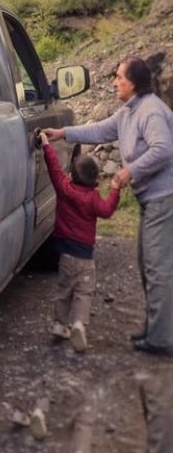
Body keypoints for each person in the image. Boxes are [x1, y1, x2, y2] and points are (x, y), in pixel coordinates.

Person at [42, 56, 173, 357]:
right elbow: (100, 130)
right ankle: (157, 329)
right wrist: (63, 133)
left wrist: (130, 171)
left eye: (119, 77)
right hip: (150, 200)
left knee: (157, 267)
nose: (114, 82)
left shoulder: (150, 111)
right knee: (146, 263)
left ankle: (163, 337)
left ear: (134, 82)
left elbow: (163, 149)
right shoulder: (129, 111)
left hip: (163, 199)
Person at [39, 132, 121, 352]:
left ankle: (59, 324)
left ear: (73, 175)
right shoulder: (93, 198)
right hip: (85, 257)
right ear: (94, 179)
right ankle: (77, 324)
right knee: (84, 292)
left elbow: (55, 169)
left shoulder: (65, 189)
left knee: (64, 289)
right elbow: (106, 211)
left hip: (65, 255)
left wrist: (46, 145)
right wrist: (115, 190)